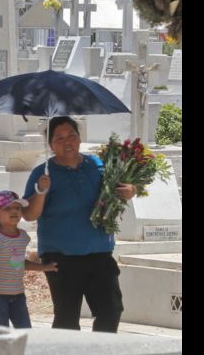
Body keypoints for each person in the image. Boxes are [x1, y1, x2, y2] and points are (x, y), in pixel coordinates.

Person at [23, 116, 137, 332]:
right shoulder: (42, 173)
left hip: (99, 252)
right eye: (59, 138)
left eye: (72, 136)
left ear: (79, 138)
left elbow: (120, 190)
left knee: (111, 310)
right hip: (60, 258)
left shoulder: (98, 165)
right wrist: (40, 191)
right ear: (50, 145)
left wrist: (131, 191)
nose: (67, 142)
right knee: (66, 319)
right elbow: (29, 215)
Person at [0, 190, 58, 328]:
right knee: (2, 338)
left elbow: (17, 264)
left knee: (25, 334)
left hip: (18, 296)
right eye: (7, 208)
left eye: (17, 208)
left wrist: (44, 267)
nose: (14, 211)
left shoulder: (22, 237)